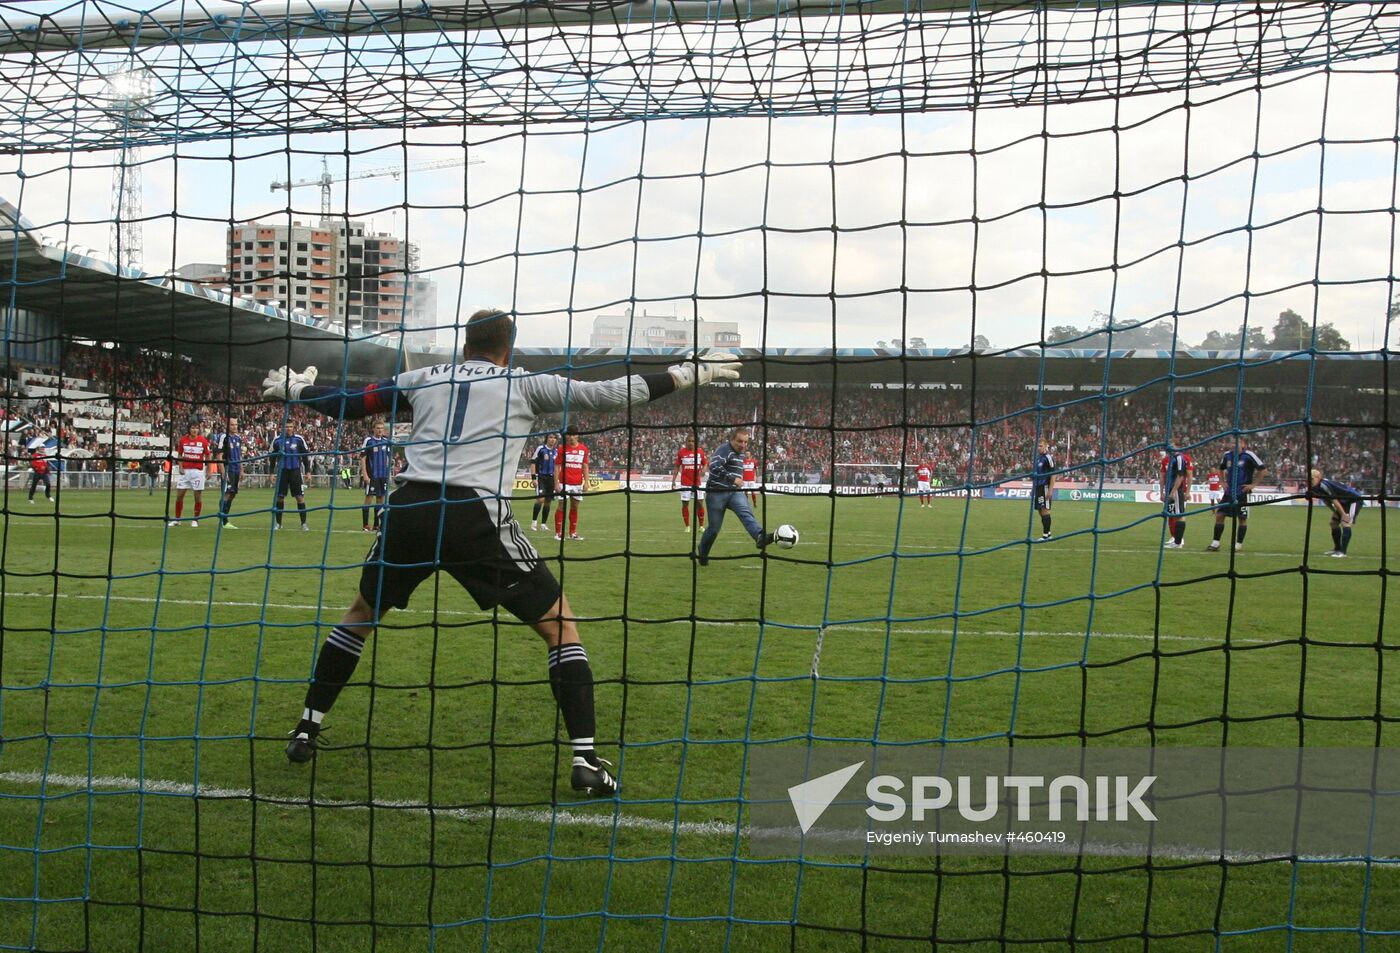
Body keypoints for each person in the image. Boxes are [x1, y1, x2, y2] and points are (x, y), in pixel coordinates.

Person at [262, 308, 739, 799]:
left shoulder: (424, 377)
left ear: (464, 344)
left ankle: (305, 729)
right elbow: (611, 395)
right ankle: (585, 761)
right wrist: (688, 372)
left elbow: (350, 404)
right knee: (560, 627)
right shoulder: (524, 383)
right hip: (472, 515)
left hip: (409, 508)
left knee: (360, 615)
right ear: (508, 348)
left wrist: (295, 390)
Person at [695, 427, 776, 567]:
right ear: (732, 440)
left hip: (734, 492)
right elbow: (714, 466)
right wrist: (733, 479)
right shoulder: (724, 450)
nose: (743, 445)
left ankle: (759, 536)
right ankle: (702, 553)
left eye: (745, 442)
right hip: (716, 493)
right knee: (714, 529)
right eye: (739, 441)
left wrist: (735, 482)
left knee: (746, 513)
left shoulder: (742, 454)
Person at [1208, 439, 1266, 552]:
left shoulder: (1249, 455)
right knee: (1219, 515)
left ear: (1243, 444)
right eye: (1232, 443)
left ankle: (1238, 544)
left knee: (1242, 518)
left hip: (1242, 491)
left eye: (1237, 443)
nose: (1234, 445)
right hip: (1229, 491)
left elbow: (1263, 470)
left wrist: (1253, 485)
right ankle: (1215, 543)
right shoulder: (1227, 455)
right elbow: (1221, 469)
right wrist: (1222, 482)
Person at [1308, 468, 1365, 558]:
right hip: (1343, 502)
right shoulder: (1316, 488)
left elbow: (1335, 501)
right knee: (1334, 523)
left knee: (1345, 522)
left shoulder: (1324, 485)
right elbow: (1327, 501)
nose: (1310, 481)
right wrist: (1335, 512)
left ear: (1318, 477)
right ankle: (1337, 549)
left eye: (1311, 478)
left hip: (1353, 500)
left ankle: (1343, 552)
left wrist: (1343, 514)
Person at [271, 421, 312, 531]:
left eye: (290, 426)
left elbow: (305, 456)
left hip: (295, 472)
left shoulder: (299, 439)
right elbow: (272, 457)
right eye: (286, 426)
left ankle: (303, 524)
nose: (288, 428)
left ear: (293, 427)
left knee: (300, 498)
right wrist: (271, 473)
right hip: (282, 472)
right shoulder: (277, 440)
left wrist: (308, 471)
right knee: (280, 497)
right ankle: (278, 524)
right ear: (282, 427)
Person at [168, 422, 211, 527]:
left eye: (196, 428)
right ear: (189, 429)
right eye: (192, 428)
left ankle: (195, 520)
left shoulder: (203, 441)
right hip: (185, 472)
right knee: (179, 496)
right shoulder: (183, 440)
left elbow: (208, 456)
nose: (194, 430)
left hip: (198, 472)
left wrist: (209, 470)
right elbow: (179, 454)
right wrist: (180, 466)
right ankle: (177, 519)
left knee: (197, 496)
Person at [555, 426, 588, 541]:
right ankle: (558, 533)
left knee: (574, 507)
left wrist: (586, 482)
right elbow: (557, 466)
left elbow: (585, 466)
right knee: (561, 505)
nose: (572, 437)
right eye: (569, 435)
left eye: (574, 435)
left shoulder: (584, 449)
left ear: (577, 435)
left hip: (578, 483)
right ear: (567, 436)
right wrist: (556, 483)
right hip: (564, 482)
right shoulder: (561, 448)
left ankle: (572, 533)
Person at [361, 422, 393, 532]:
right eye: (378, 428)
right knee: (369, 499)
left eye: (381, 428)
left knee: (380, 500)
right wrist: (365, 474)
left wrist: (388, 474)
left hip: (382, 476)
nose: (380, 430)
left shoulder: (386, 442)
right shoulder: (369, 441)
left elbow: (388, 460)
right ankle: (365, 525)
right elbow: (363, 458)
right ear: (373, 429)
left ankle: (376, 525)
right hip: (372, 476)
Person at [1161, 444, 1194, 549]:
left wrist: (1176, 491)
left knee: (1179, 515)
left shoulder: (1180, 458)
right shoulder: (1169, 459)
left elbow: (1182, 476)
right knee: (1173, 514)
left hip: (1178, 491)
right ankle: (1175, 539)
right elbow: (1163, 476)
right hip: (1171, 490)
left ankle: (1179, 541)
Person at [672, 436, 707, 532]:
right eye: (689, 441)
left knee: (700, 503)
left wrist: (704, 469)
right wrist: (673, 480)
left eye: (693, 441)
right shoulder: (681, 452)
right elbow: (676, 466)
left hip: (697, 483)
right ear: (686, 442)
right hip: (685, 483)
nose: (691, 443)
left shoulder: (700, 451)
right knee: (685, 504)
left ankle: (701, 526)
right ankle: (687, 526)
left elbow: (706, 463)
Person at [214, 423, 244, 529]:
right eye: (231, 425)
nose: (234, 427)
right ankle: (224, 520)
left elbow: (239, 454)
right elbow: (219, 455)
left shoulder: (238, 438)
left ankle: (224, 518)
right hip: (228, 469)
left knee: (232, 494)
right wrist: (223, 472)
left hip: (236, 469)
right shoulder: (223, 437)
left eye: (236, 425)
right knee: (226, 493)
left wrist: (241, 469)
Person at [529, 432, 558, 532]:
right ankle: (534, 523)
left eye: (554, 438)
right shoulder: (541, 449)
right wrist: (533, 478)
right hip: (541, 477)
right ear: (547, 439)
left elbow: (558, 467)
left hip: (551, 479)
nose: (552, 439)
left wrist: (557, 480)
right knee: (540, 500)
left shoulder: (556, 451)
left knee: (548, 501)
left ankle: (543, 524)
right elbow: (533, 463)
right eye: (550, 437)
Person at [1032, 439, 1054, 541]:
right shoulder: (1038, 458)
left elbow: (1053, 474)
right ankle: (1048, 533)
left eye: (1041, 446)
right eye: (1038, 446)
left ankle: (1045, 536)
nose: (1039, 448)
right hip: (1038, 487)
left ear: (1046, 446)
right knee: (1040, 511)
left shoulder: (1048, 458)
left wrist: (1050, 489)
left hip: (1045, 487)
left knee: (1045, 510)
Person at [26, 435, 53, 504]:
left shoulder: (45, 455)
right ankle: (30, 498)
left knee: (48, 484)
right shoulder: (35, 455)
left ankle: (48, 496)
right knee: (34, 485)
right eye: (42, 448)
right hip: (37, 472)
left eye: (43, 448)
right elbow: (33, 463)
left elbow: (46, 464)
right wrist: (38, 468)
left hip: (44, 473)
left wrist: (47, 469)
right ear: (39, 448)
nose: (43, 449)